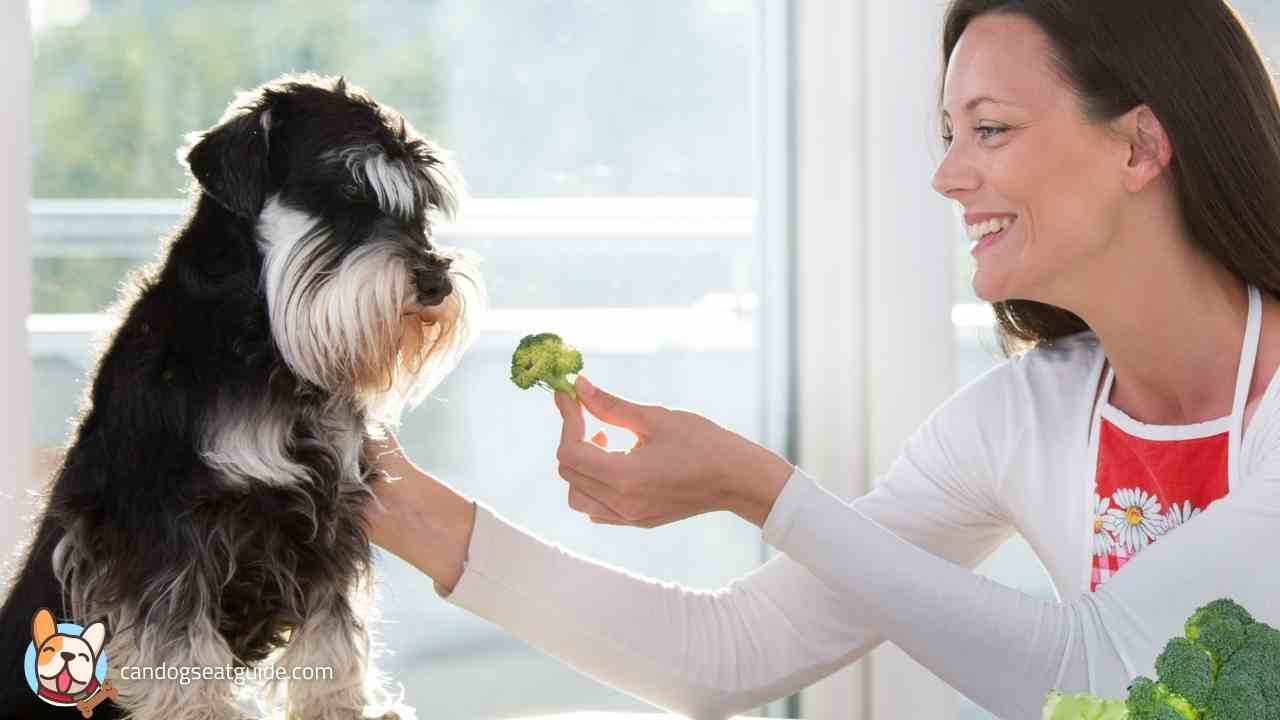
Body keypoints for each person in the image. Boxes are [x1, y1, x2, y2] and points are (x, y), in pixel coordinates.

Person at [364, 1, 1280, 718]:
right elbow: (727, 654)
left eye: (991, 129)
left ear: (1139, 144)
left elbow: (1112, 678)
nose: (948, 174)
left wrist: (764, 491)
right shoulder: (1025, 418)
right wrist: (372, 484)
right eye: (949, 133)